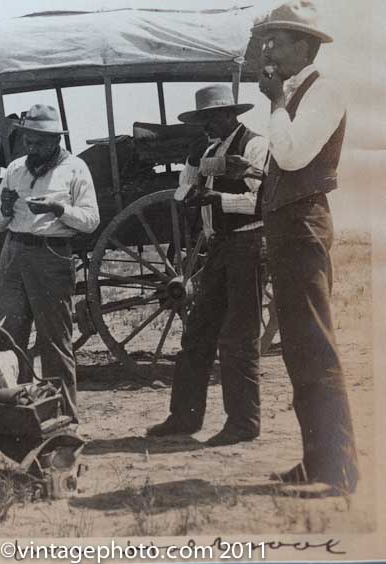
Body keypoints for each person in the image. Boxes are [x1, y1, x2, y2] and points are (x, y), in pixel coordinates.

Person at [253, 0, 358, 493]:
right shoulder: (295, 92)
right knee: (298, 350)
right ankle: (317, 461)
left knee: (315, 346)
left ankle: (338, 470)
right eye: (267, 38)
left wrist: (275, 104)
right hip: (288, 227)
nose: (267, 47)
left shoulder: (324, 92)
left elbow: (292, 156)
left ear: (305, 45)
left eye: (278, 39)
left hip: (305, 226)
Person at [147, 85, 268, 447]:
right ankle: (184, 417)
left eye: (213, 118)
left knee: (238, 337)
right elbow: (183, 191)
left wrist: (216, 198)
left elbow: (259, 202)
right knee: (197, 333)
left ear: (231, 115)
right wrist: (192, 175)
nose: (207, 125)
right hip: (218, 248)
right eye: (203, 119)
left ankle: (244, 423)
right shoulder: (208, 150)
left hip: (247, 242)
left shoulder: (254, 145)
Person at [0, 104, 100, 421]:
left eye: (38, 142)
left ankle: (62, 420)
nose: (31, 148)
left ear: (54, 140)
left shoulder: (75, 169)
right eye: (27, 141)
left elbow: (91, 220)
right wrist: (4, 208)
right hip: (14, 253)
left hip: (51, 255)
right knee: (7, 338)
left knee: (54, 342)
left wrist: (58, 209)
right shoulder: (15, 170)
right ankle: (17, 417)